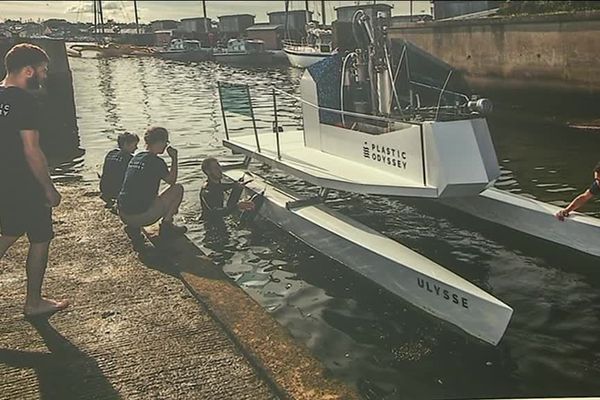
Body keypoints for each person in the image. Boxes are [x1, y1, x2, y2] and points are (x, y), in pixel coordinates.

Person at [0, 43, 69, 317]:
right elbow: (32, 150)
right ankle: (34, 302)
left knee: (7, 232)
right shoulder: (26, 101)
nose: (44, 75)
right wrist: (48, 188)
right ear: (28, 71)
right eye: (42, 70)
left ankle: (35, 301)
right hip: (23, 183)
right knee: (39, 239)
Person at [118, 127, 186, 249]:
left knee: (141, 191)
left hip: (123, 213)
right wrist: (174, 158)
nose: (166, 146)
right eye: (166, 142)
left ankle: (133, 228)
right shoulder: (156, 161)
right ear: (160, 142)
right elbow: (172, 181)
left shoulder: (135, 157)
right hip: (141, 216)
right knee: (178, 189)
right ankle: (167, 226)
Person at [199, 157, 255, 224]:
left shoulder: (217, 185)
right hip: (210, 223)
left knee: (237, 187)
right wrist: (238, 206)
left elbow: (222, 187)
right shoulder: (207, 191)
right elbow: (216, 212)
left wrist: (237, 186)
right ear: (208, 172)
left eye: (219, 166)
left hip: (220, 218)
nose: (219, 170)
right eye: (216, 168)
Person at [99, 132, 139, 208]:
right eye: (135, 145)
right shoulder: (130, 159)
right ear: (126, 144)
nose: (136, 148)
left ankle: (108, 196)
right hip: (117, 191)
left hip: (104, 188)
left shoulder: (111, 153)